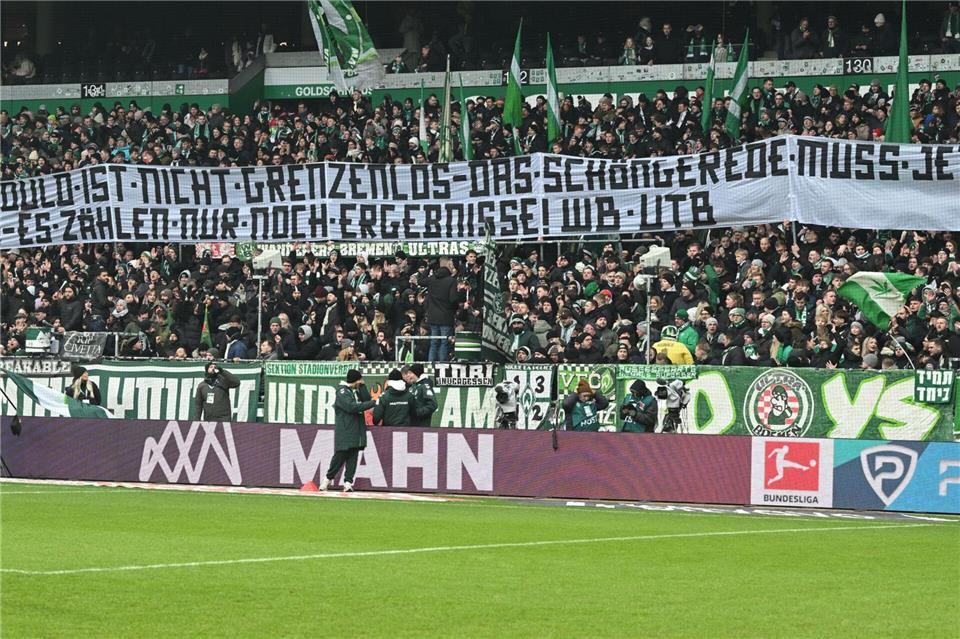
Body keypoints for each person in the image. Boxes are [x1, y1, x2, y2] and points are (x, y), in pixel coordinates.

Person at [320, 369, 375, 492]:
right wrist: (373, 403)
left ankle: (348, 482)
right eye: (360, 380)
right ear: (355, 380)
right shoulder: (342, 392)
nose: (361, 382)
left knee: (353, 456)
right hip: (346, 429)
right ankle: (327, 479)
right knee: (340, 455)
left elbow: (366, 400)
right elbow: (352, 407)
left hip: (356, 429)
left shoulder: (355, 391)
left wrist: (363, 386)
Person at [424, 257, 465, 361]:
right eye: (451, 265)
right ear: (448, 266)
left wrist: (428, 268)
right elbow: (453, 299)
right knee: (444, 342)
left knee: (433, 342)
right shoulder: (451, 281)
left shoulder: (432, 279)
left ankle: (431, 365)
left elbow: (420, 281)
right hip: (446, 317)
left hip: (433, 316)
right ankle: (442, 364)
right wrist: (456, 307)